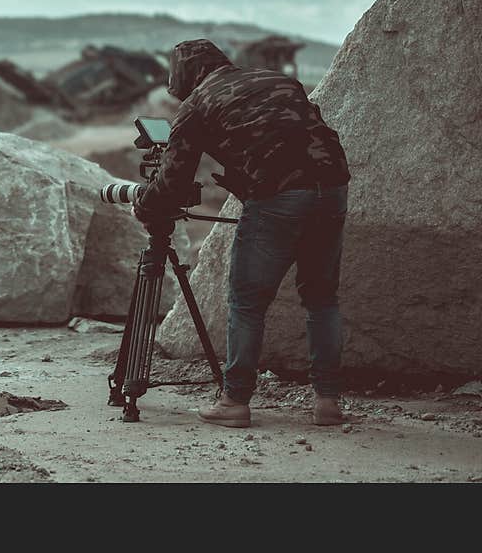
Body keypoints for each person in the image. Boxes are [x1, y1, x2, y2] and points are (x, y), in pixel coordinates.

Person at [132, 39, 351, 428]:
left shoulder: (196, 104)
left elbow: (172, 183)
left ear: (187, 73)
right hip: (331, 186)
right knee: (321, 299)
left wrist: (143, 204)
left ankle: (234, 401)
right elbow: (289, 136)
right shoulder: (277, 80)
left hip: (280, 195)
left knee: (248, 303)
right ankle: (328, 401)